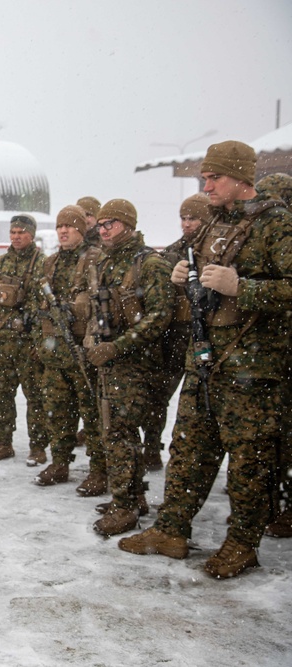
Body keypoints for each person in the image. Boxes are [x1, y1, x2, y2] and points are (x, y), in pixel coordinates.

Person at [121, 141, 292, 578]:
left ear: (241, 179)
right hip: (205, 361)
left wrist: (244, 287)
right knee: (189, 449)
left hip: (253, 369)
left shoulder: (276, 225)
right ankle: (172, 530)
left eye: (214, 177)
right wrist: (181, 275)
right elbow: (186, 265)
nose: (206, 184)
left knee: (249, 460)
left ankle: (242, 544)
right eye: (205, 176)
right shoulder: (213, 221)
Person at [84, 199, 173, 536]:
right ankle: (132, 496)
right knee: (113, 431)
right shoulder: (107, 262)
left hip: (136, 364)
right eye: (101, 224)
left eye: (112, 224)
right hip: (110, 361)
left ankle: (126, 506)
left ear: (129, 225)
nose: (104, 230)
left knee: (121, 433)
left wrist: (118, 347)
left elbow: (159, 317)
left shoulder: (149, 263)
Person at [32, 205, 104, 489]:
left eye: (70, 226)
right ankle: (59, 462)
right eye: (60, 226)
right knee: (57, 412)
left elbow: (102, 306)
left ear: (81, 230)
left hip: (82, 352)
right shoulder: (49, 263)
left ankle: (99, 469)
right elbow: (37, 306)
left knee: (93, 415)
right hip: (54, 353)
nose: (63, 231)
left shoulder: (96, 259)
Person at [0, 214, 48, 465]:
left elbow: (47, 308)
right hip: (2, 344)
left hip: (29, 345)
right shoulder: (0, 264)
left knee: (35, 396)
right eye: (13, 231)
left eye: (21, 232)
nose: (16, 236)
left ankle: (38, 447)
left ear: (32, 235)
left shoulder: (42, 264)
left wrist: (42, 341)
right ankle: (3, 443)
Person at [140, 193, 211, 471]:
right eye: (184, 218)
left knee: (204, 404)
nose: (187, 224)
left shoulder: (220, 252)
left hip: (208, 339)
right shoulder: (169, 255)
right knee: (158, 397)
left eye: (193, 218)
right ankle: (151, 447)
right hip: (174, 338)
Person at [254, 174, 292, 538]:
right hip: (274, 356)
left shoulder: (280, 234)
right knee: (273, 436)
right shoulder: (268, 235)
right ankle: (271, 503)